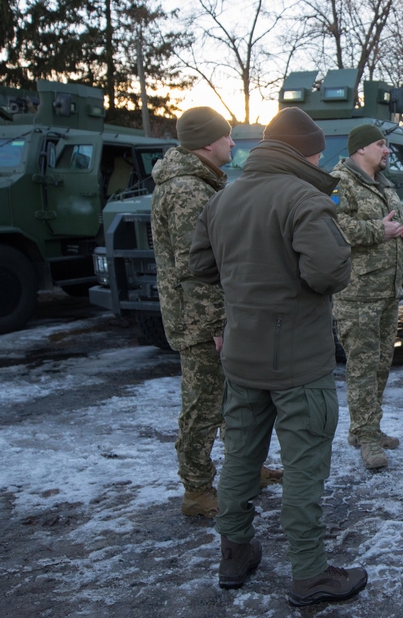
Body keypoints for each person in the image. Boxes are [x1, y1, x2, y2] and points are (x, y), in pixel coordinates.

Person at [189, 107, 367, 606]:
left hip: (242, 355)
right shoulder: (304, 197)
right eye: (316, 151)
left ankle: (234, 554)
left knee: (241, 456)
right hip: (297, 362)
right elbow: (329, 274)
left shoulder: (224, 198)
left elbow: (200, 266)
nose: (320, 158)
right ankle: (309, 572)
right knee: (305, 464)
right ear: (301, 152)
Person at [150, 106, 281, 519]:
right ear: (208, 143)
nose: (233, 143)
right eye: (227, 136)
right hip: (201, 321)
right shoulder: (189, 190)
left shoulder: (200, 183)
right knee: (204, 406)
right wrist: (215, 324)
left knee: (231, 400)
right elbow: (198, 266)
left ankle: (245, 469)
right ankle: (198, 490)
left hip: (210, 317)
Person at [330, 124, 403, 470]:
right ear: (360, 150)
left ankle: (368, 427)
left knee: (381, 363)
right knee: (363, 366)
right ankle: (367, 438)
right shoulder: (340, 183)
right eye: (381, 145)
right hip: (358, 294)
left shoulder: (384, 185)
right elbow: (331, 227)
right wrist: (376, 230)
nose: (387, 151)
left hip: (388, 292)